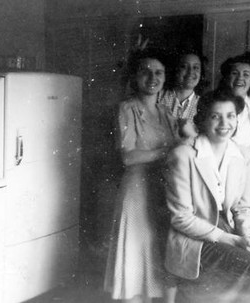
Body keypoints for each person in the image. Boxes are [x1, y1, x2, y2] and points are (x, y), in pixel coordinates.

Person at [164, 89, 250, 303]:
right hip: (195, 239)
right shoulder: (183, 155)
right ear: (202, 119)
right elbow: (181, 218)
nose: (224, 123)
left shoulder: (244, 155)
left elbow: (243, 208)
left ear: (237, 119)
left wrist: (245, 235)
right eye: (215, 116)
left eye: (230, 116)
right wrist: (232, 240)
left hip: (231, 230)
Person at [104, 48, 180, 303]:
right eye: (145, 72)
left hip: (162, 191)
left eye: (158, 72)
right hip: (136, 191)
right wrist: (166, 150)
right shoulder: (126, 109)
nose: (152, 78)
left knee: (155, 262)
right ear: (135, 77)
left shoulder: (167, 114)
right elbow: (128, 157)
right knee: (134, 261)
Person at [158, 51, 205, 139]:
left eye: (196, 67)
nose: (190, 72)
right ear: (176, 69)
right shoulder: (159, 97)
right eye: (184, 66)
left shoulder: (204, 104)